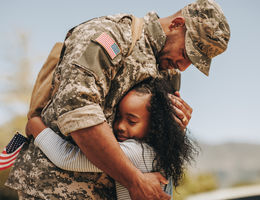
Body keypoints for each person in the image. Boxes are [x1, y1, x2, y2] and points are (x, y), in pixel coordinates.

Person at [5, 0, 230, 199]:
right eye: (187, 52)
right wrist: (134, 180)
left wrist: (176, 127)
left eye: (195, 61)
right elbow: (79, 115)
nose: (184, 65)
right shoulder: (111, 36)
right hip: (57, 188)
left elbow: (152, 143)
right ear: (176, 24)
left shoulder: (169, 72)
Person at [26, 78, 197, 200]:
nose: (120, 126)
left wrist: (36, 126)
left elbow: (67, 158)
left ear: (155, 125)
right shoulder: (159, 154)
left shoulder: (138, 152)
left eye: (132, 121)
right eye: (118, 117)